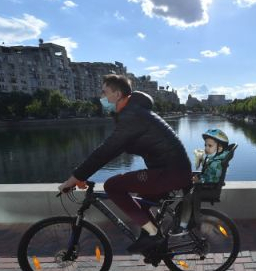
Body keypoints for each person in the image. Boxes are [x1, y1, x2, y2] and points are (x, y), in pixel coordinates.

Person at [58, 74, 192, 258]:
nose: (102, 98)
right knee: (141, 205)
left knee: (113, 186)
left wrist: (75, 177)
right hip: (169, 171)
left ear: (118, 94)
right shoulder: (133, 113)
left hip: (169, 173)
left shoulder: (132, 116)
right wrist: (82, 175)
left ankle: (153, 234)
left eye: (104, 93)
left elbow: (106, 150)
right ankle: (155, 244)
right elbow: (112, 149)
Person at [174, 128, 231, 234]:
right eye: (205, 145)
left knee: (187, 198)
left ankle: (183, 226)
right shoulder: (213, 159)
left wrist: (199, 180)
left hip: (208, 188)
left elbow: (212, 178)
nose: (206, 148)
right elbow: (207, 173)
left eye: (210, 146)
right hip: (205, 186)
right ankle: (185, 218)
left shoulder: (216, 163)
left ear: (219, 148)